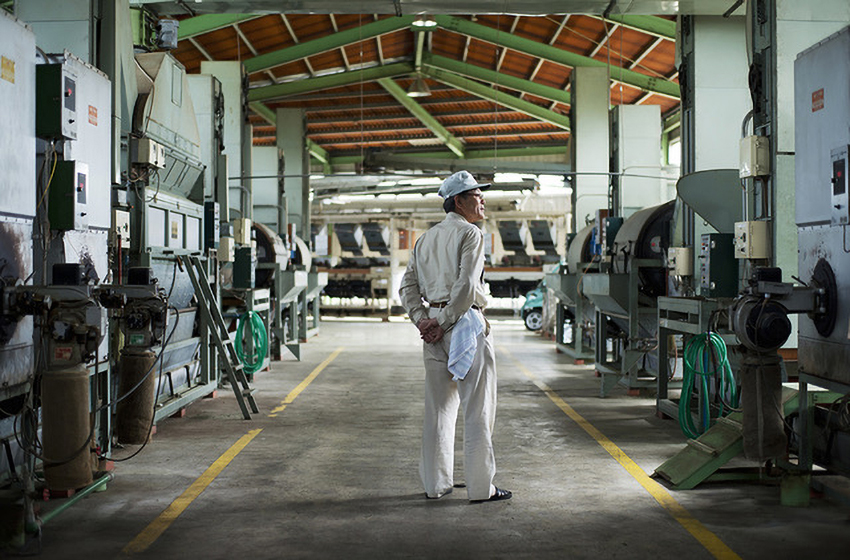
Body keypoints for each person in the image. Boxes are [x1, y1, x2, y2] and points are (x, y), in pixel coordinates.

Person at [399, 170, 512, 503]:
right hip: (462, 324)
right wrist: (445, 323)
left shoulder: (425, 239)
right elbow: (465, 288)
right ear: (459, 201)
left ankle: (436, 484)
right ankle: (480, 489)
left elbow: (407, 287)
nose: (483, 200)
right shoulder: (471, 234)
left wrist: (424, 321)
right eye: (476, 195)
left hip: (434, 326)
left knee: (438, 409)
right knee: (477, 409)